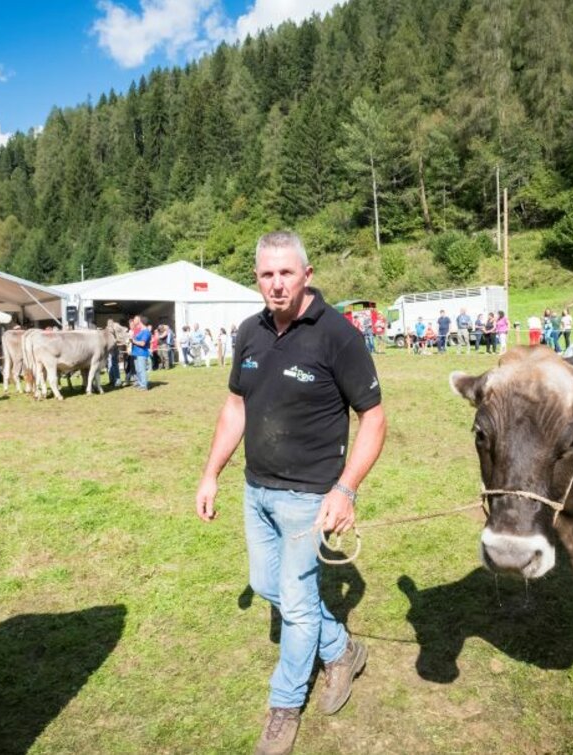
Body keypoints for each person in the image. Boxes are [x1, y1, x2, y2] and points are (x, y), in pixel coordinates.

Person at [195, 232, 386, 755]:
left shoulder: (338, 335)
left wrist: (346, 489)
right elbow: (235, 406)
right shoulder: (248, 333)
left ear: (307, 274)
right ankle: (343, 648)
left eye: (286, 273)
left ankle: (283, 708)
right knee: (267, 586)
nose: (276, 284)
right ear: (256, 278)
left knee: (298, 607)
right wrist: (212, 472)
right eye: (266, 274)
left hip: (309, 498)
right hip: (255, 490)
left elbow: (373, 417)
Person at [130, 315, 151, 390]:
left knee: (142, 370)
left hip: (142, 353)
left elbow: (142, 343)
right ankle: (140, 383)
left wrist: (133, 341)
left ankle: (144, 385)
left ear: (141, 321)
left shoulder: (146, 332)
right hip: (136, 353)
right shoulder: (141, 330)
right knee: (138, 370)